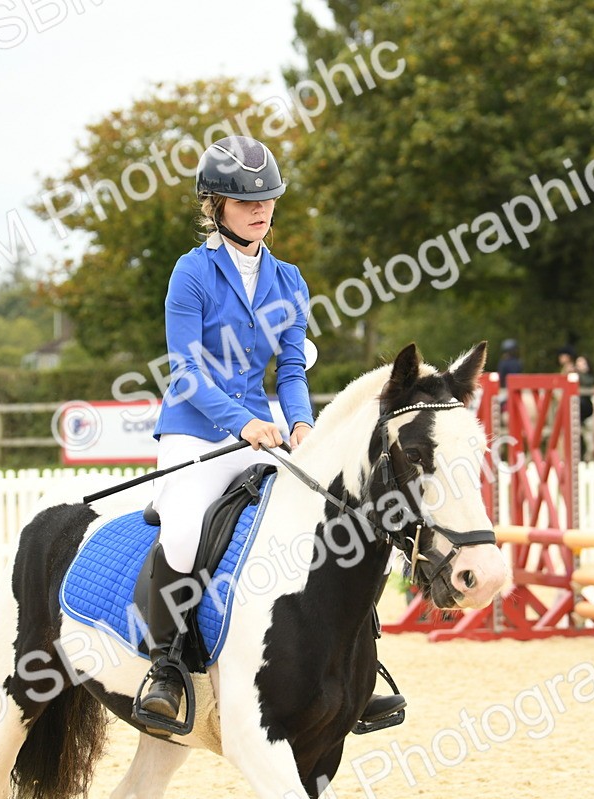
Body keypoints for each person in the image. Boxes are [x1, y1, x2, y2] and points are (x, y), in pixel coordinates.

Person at [139, 135, 403, 727]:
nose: (259, 210)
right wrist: (243, 423)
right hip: (195, 430)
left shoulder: (289, 279)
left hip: (266, 425)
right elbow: (184, 369)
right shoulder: (192, 273)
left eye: (267, 199)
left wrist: (303, 423)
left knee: (344, 521)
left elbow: (289, 368)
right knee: (183, 532)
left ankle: (360, 663)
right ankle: (166, 666)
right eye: (243, 201)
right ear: (216, 206)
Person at [575, 355, 594, 461]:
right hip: (576, 411)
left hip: (587, 410)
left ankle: (589, 457)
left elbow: (589, 382)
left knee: (589, 436)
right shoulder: (574, 376)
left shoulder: (587, 377)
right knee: (576, 436)